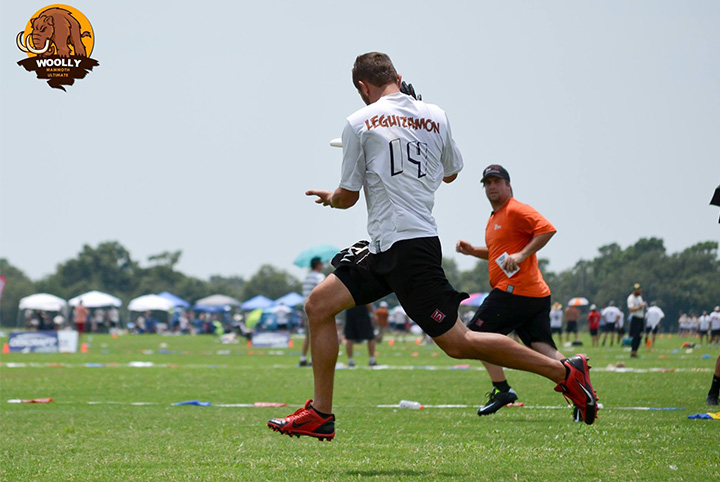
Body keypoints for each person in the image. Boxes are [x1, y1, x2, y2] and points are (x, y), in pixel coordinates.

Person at [267, 52, 598, 441]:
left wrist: (329, 197)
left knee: (459, 343)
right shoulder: (435, 115)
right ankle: (320, 414)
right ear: (399, 77)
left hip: (407, 250)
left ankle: (564, 371)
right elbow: (453, 172)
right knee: (318, 304)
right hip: (387, 246)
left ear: (362, 87)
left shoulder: (358, 123)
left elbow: (348, 197)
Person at [455, 164, 566, 417]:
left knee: (474, 337)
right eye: (487, 183)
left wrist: (522, 253)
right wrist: (473, 251)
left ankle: (503, 389)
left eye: (496, 181)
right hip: (534, 293)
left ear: (508, 185)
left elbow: (547, 228)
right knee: (543, 347)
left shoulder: (515, 209)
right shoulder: (495, 217)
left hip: (516, 291)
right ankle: (580, 385)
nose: (491, 187)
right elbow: (498, 255)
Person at [298, 257, 326, 367]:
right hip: (317, 308)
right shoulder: (319, 276)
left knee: (308, 336)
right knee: (318, 335)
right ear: (318, 265)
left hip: (306, 307)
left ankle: (303, 358)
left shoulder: (306, 278)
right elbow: (323, 290)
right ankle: (315, 359)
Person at [627, 283, 646, 357]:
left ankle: (635, 351)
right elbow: (631, 308)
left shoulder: (639, 297)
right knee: (635, 336)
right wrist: (639, 307)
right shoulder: (631, 298)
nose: (640, 290)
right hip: (635, 319)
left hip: (641, 318)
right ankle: (633, 352)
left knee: (640, 336)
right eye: (638, 289)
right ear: (634, 290)